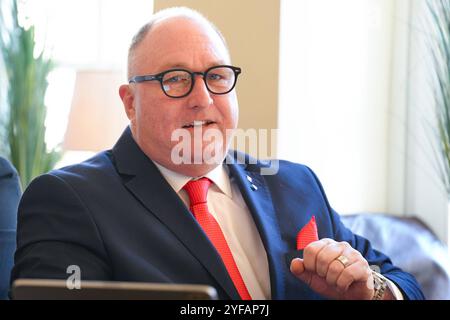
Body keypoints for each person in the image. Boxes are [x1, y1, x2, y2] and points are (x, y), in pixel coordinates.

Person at [11, 7, 424, 300]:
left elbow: (405, 282)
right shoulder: (69, 199)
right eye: (175, 80)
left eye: (217, 76)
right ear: (130, 102)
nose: (202, 98)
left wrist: (372, 292)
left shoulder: (295, 183)